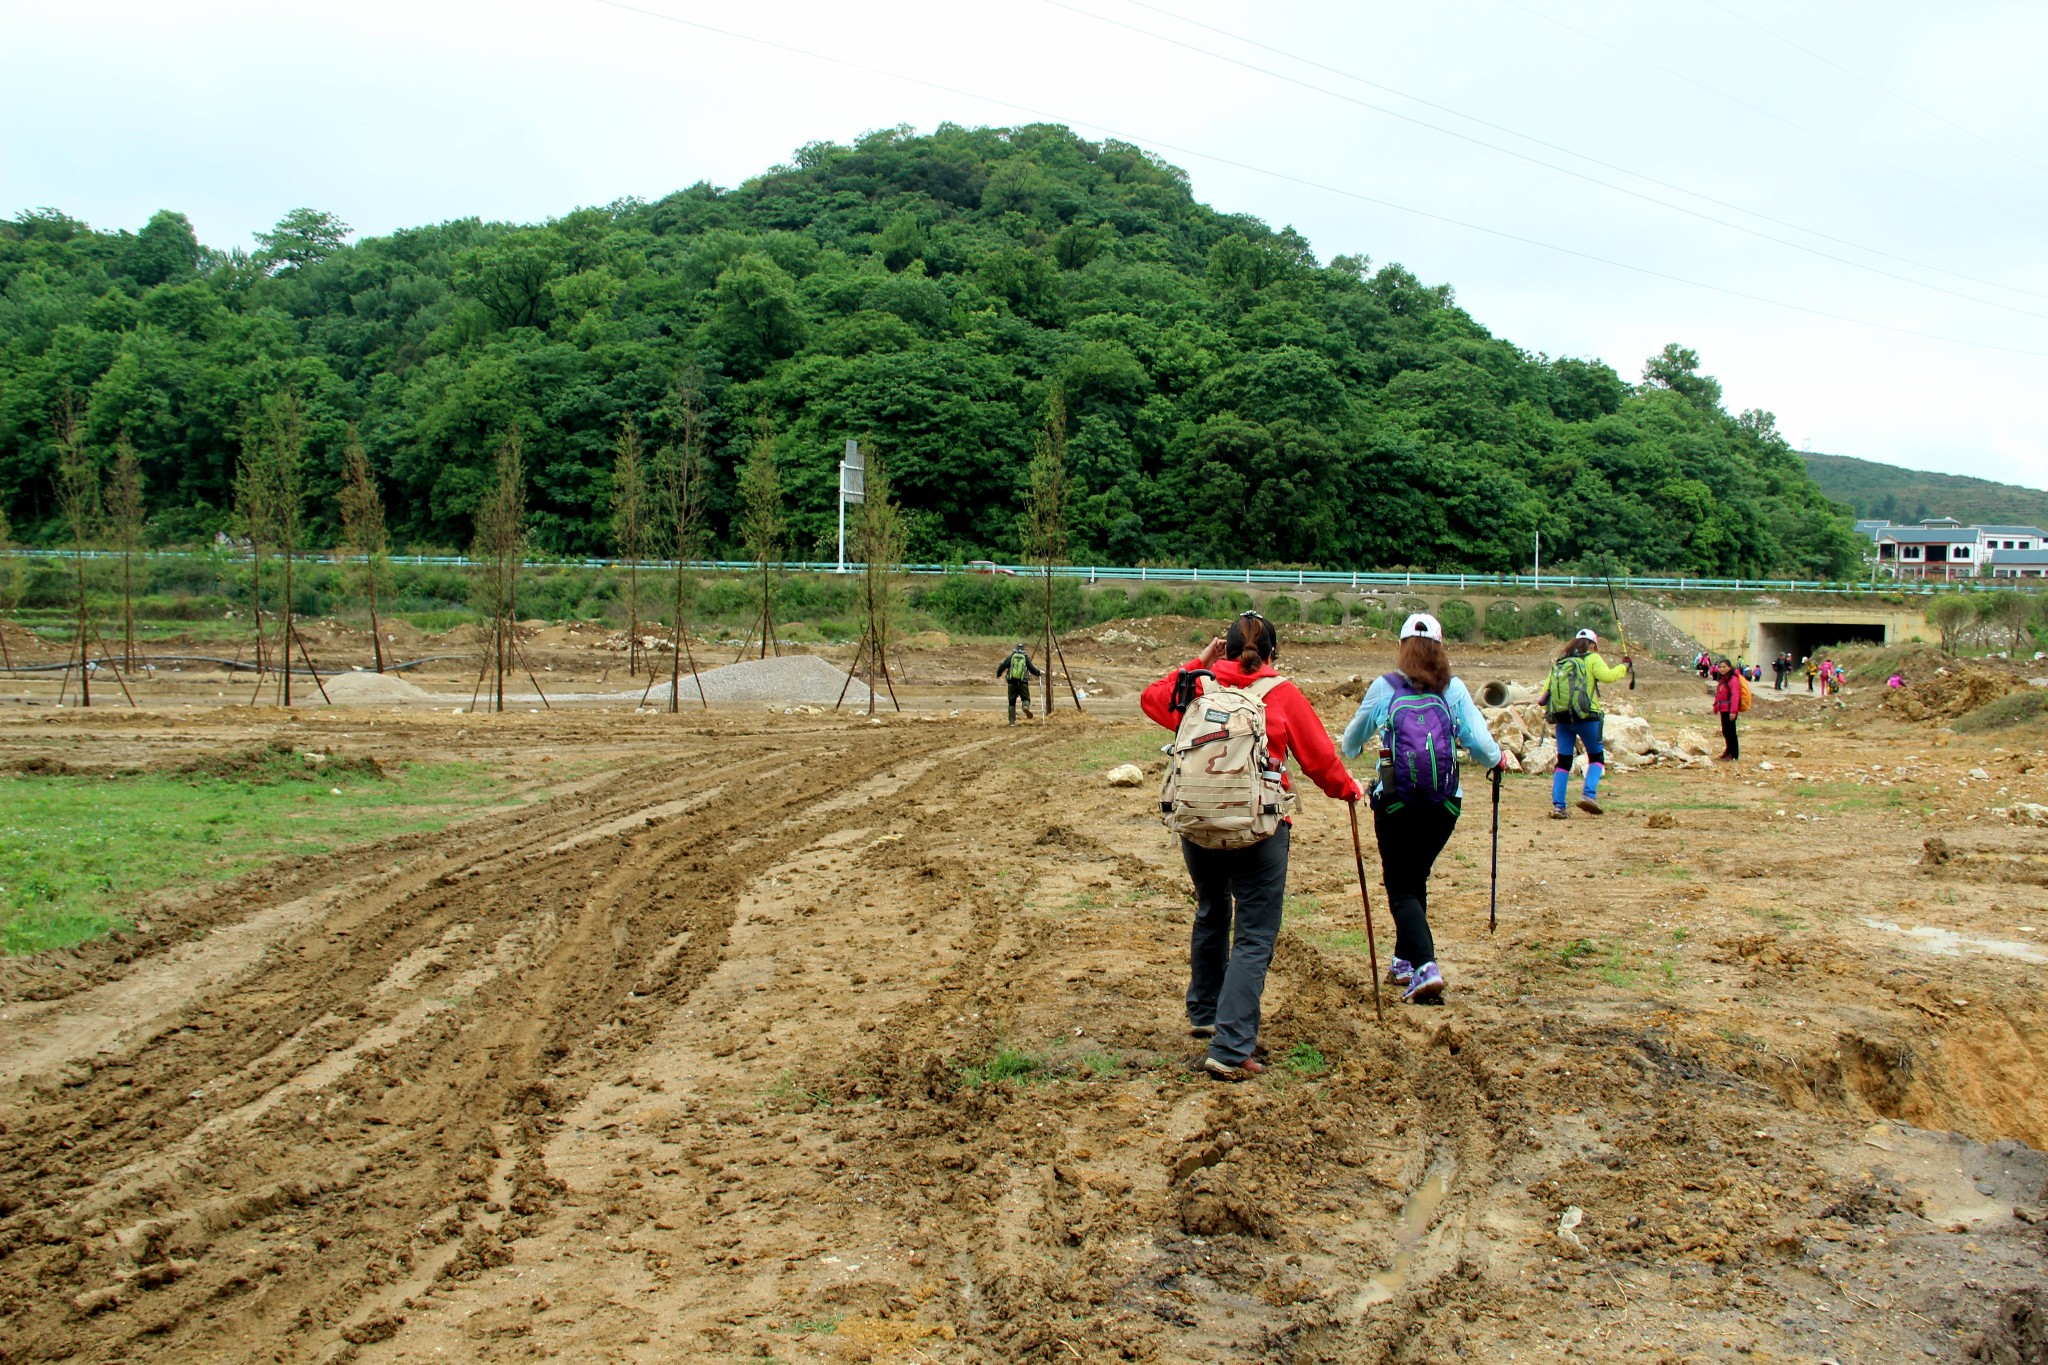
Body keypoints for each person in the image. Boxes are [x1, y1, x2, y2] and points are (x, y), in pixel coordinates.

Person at [1141, 611, 1362, 1081]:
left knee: (1211, 908)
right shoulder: (1282, 694)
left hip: (1198, 828)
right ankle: (1231, 1044)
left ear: (1226, 648)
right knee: (1255, 936)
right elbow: (1321, 761)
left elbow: (1150, 700)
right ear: (1273, 654)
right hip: (1260, 832)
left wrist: (1198, 660)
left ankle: (1204, 1010)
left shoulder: (1198, 687)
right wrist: (1348, 790)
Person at [1339, 613, 1505, 1006]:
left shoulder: (1385, 688)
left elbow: (1349, 742)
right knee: (1415, 878)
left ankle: (1427, 967)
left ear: (1401, 646)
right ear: (1440, 646)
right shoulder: (1456, 689)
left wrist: (1359, 748)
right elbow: (1482, 747)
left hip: (1395, 804)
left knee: (1401, 886)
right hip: (1445, 804)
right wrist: (1497, 761)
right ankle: (1403, 960)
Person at [1536, 628, 1631, 819]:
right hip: (1587, 716)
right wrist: (1625, 667)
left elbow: (1546, 690)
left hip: (1562, 718)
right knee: (1596, 758)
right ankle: (1588, 794)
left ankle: (1559, 807)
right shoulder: (1593, 659)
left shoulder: (1561, 662)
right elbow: (1608, 676)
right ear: (1593, 644)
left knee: (1563, 762)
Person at [995, 642, 1041, 724]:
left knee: (1011, 702)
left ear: (1015, 649)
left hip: (1012, 683)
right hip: (1023, 683)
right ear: (1024, 651)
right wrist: (1038, 673)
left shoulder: (1011, 657)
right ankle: (1025, 707)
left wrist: (998, 674)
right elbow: (1032, 669)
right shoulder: (1025, 658)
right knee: (1025, 698)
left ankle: (1012, 722)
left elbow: (1002, 666)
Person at [1712, 657, 1742, 760]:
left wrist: (1733, 711)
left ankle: (1733, 754)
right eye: (1720, 667)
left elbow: (1735, 696)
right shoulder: (1723, 679)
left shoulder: (1733, 680)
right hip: (1723, 709)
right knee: (1725, 731)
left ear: (1730, 667)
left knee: (1731, 732)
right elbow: (1719, 694)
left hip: (1730, 709)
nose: (1722, 669)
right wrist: (1716, 706)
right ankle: (1728, 750)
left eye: (1724, 667)